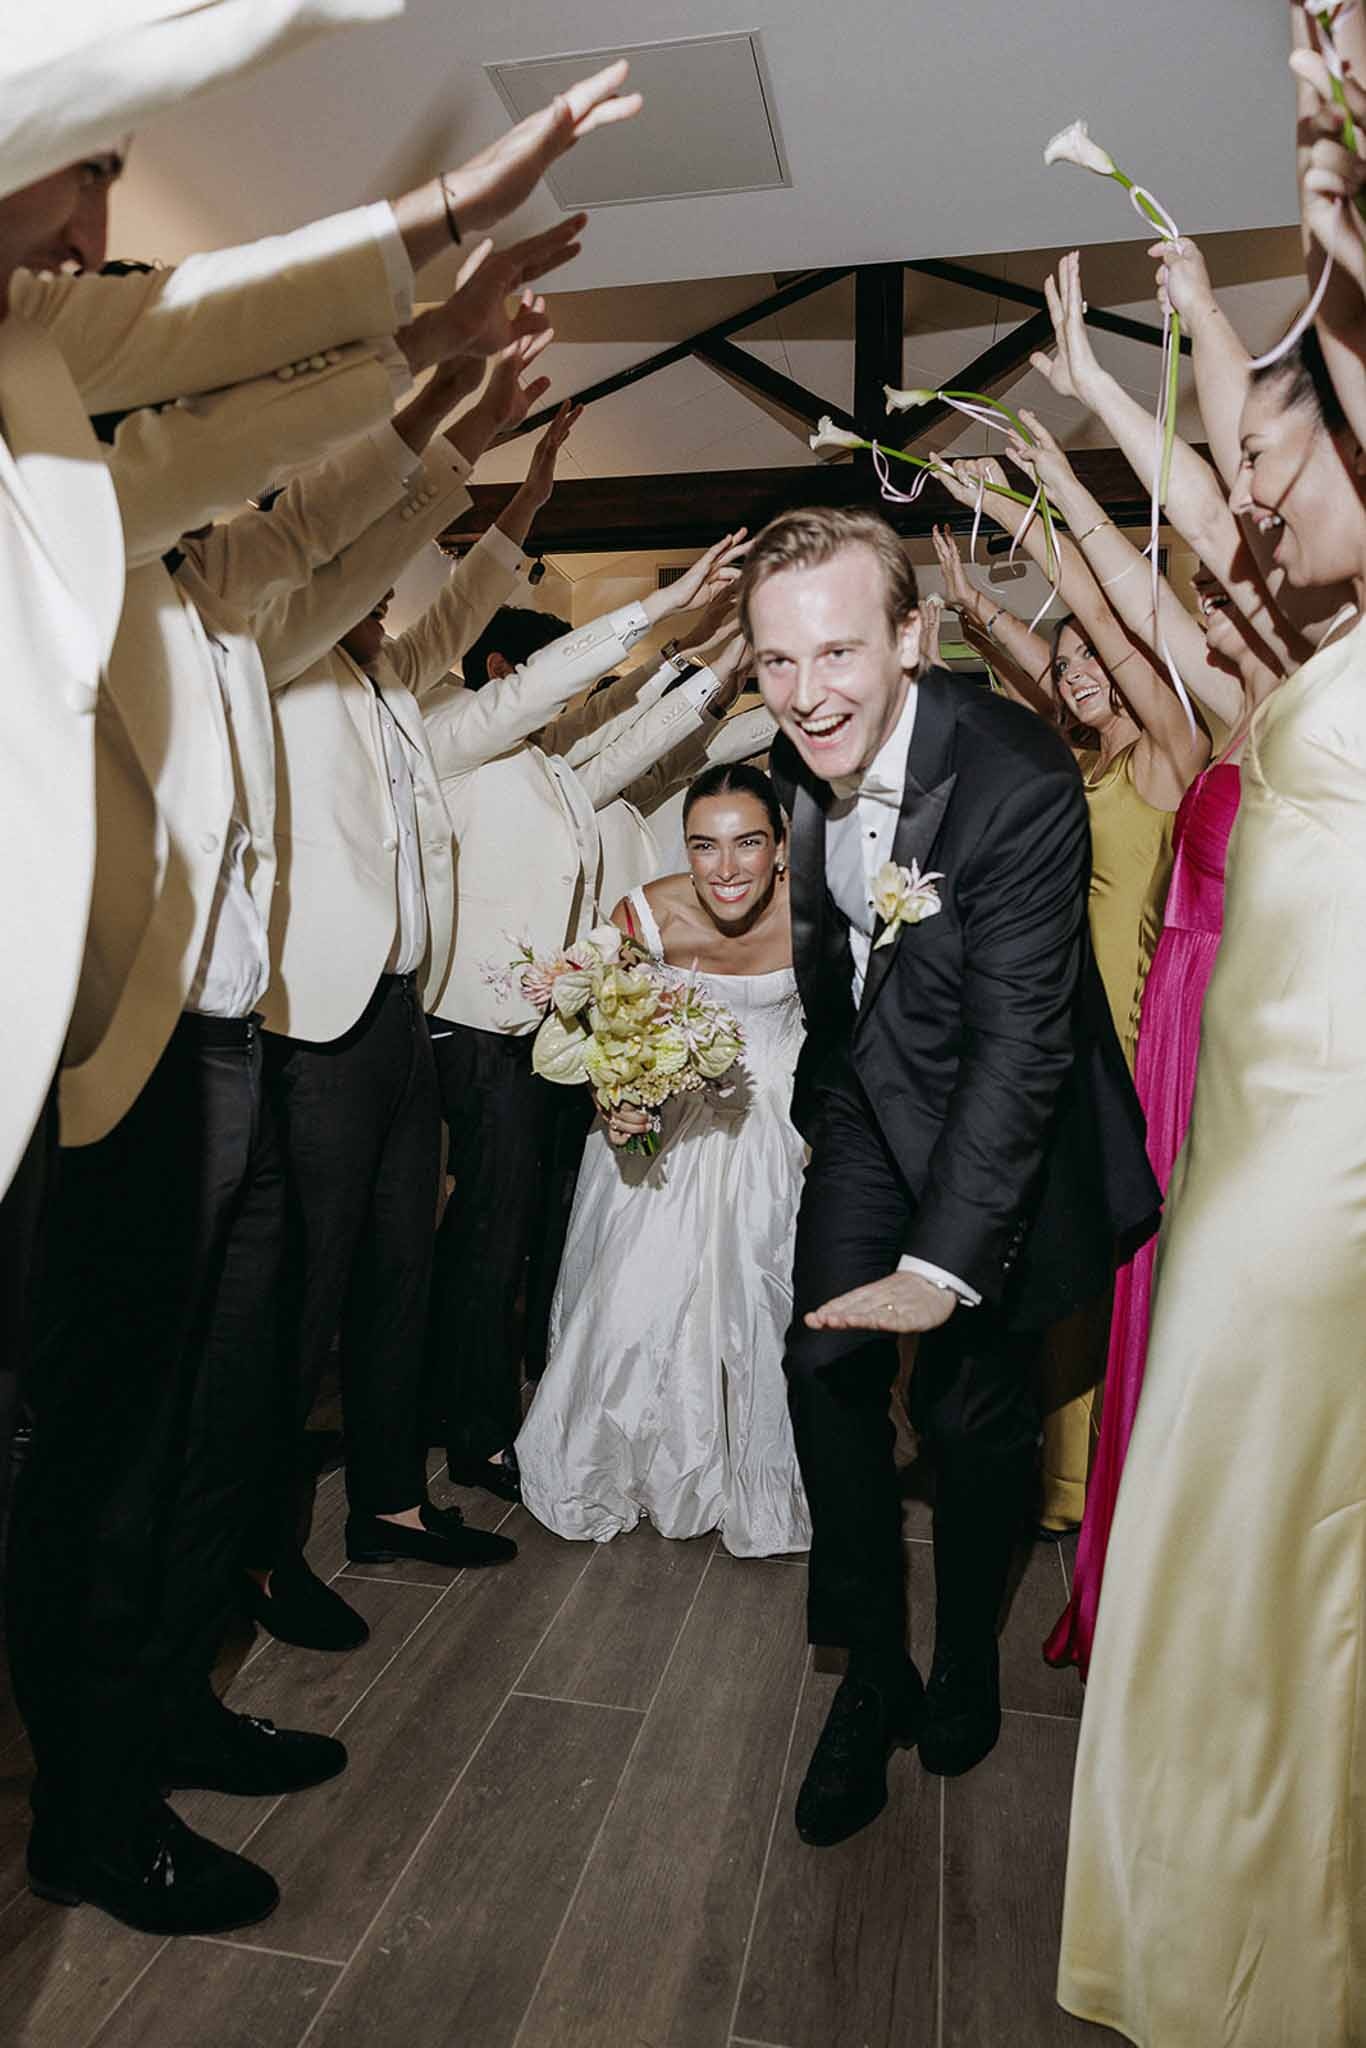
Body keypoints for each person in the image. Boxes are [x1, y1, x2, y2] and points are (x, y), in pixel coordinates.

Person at [742, 505, 1156, 1851]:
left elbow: (1019, 1050)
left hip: (1005, 1131)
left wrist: (936, 1269)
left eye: (837, 654)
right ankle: (870, 1672)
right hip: (872, 1103)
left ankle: (965, 1651)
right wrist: (824, 1099)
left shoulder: (1016, 780)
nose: (807, 697)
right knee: (820, 1370)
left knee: (978, 1419)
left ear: (912, 639)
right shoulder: (791, 760)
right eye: (776, 663)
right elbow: (828, 949)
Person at [1056, 280, 1366, 2048]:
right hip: (1262, 1128)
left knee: (1262, 1533)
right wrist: (1100, 392)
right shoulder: (1315, 633)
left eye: (1265, 449)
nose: (1236, 497)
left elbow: (1176, 533)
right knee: (1241, 1532)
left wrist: (1298, 235)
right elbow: (1175, 527)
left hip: (1319, 1163)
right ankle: (1251, 1927)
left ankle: (1261, 1936)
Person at [420, 535, 750, 1507]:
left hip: (532, 1030)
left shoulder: (550, 771)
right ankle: (471, 1425)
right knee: (486, 1231)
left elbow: (635, 738)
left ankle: (489, 1401)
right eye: (552, 679)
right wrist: (659, 616)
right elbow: (569, 701)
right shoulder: (462, 736)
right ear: (501, 674)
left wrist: (725, 660)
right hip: (471, 1027)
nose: (570, 702)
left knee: (507, 1227)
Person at [516, 763, 811, 1558]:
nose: (725, 869)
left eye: (748, 844)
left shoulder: (820, 912)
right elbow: (606, 1035)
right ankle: (628, 1460)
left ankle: (754, 1476)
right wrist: (613, 1102)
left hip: (775, 1130)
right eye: (704, 846)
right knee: (637, 1297)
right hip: (665, 1133)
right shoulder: (643, 915)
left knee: (760, 1296)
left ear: (782, 846)